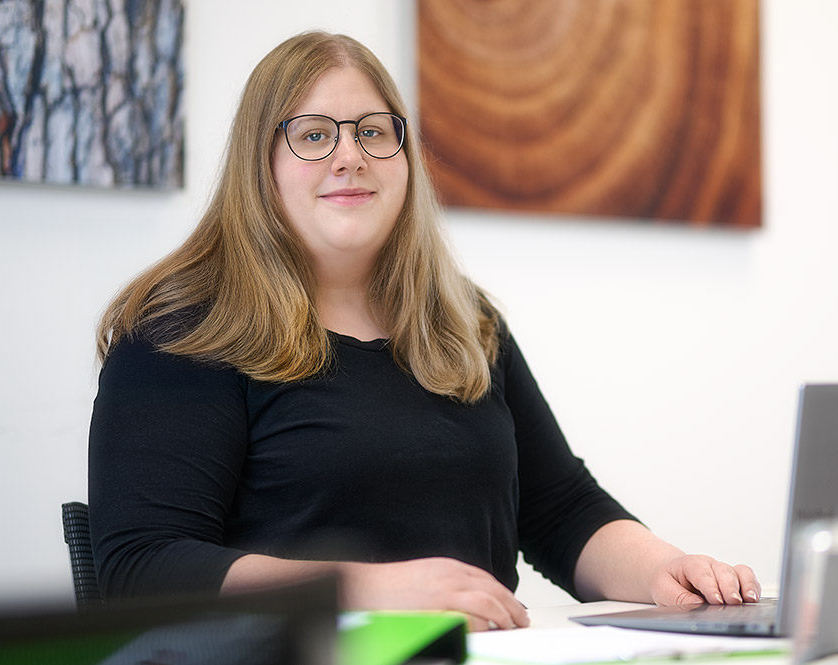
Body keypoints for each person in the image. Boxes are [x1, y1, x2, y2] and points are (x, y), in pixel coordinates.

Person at [88, 31, 759, 631]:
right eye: (314, 135)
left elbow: (560, 508)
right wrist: (374, 590)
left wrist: (665, 569)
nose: (350, 156)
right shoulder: (182, 333)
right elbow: (144, 567)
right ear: (258, 164)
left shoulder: (466, 322)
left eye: (373, 132)